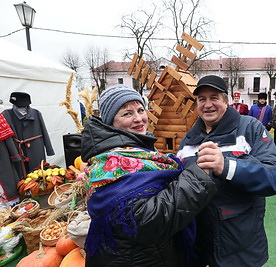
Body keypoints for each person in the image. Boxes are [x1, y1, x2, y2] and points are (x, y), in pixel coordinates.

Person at [80, 84, 217, 267]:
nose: (138, 119)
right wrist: (198, 175)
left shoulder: (137, 151)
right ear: (110, 122)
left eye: (140, 110)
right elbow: (149, 220)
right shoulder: (112, 163)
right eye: (127, 114)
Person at [177, 75, 276, 267]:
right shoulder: (188, 140)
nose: (208, 104)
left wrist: (225, 167)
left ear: (226, 101)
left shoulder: (250, 127)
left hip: (239, 245)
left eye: (214, 97)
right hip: (198, 244)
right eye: (202, 99)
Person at [2, 92, 54, 178]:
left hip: (36, 149)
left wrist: (49, 149)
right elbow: (6, 137)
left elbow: (44, 131)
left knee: (39, 175)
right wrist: (14, 154)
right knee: (22, 177)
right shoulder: (6, 114)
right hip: (17, 149)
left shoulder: (36, 113)